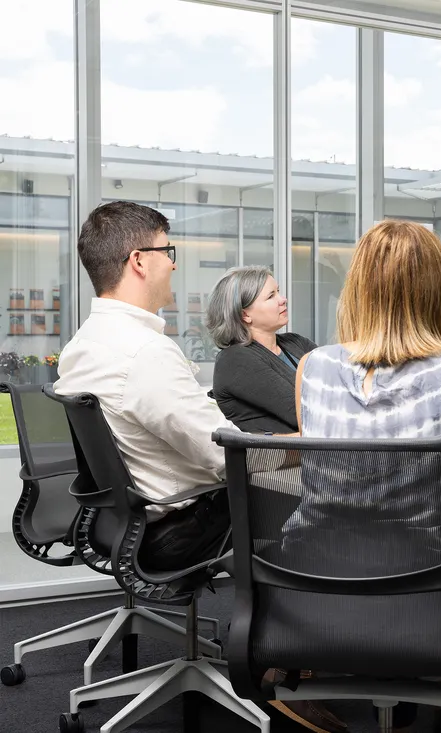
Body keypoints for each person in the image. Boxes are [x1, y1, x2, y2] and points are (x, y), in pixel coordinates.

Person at [54, 201, 346, 733]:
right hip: (181, 527)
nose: (174, 262)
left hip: (131, 519)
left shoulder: (83, 345)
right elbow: (223, 455)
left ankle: (308, 647)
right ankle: (284, 665)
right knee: (322, 492)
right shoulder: (145, 353)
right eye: (169, 251)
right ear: (139, 260)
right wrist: (300, 448)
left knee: (304, 478)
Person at [292, 219, 441, 732]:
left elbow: (336, 478)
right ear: (438, 289)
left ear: (356, 289)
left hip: (318, 601)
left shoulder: (312, 369)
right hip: (428, 608)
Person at [207, 266, 317, 433]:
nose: (283, 299)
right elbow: (304, 413)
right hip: (282, 457)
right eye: (271, 296)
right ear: (245, 315)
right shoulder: (235, 359)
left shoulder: (296, 343)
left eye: (278, 291)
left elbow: (336, 381)